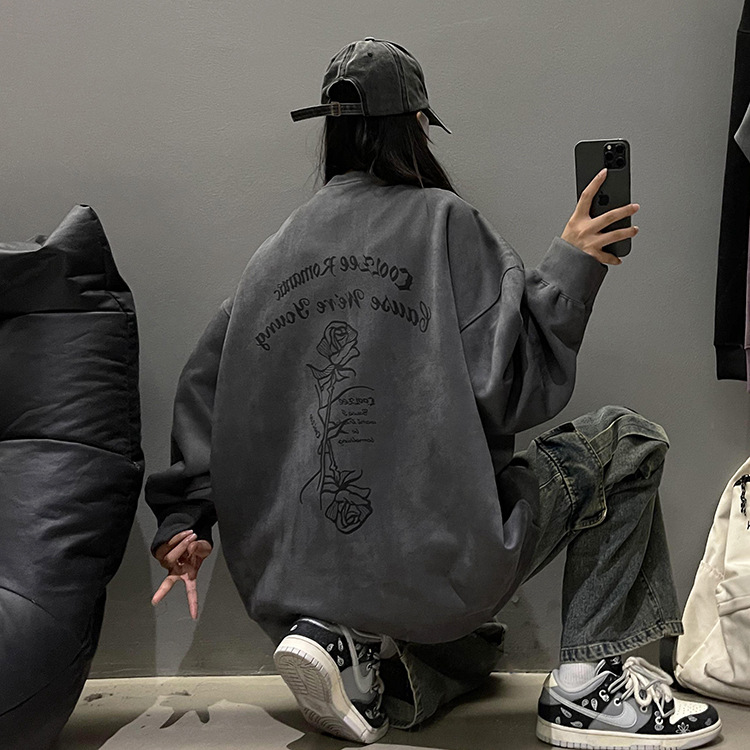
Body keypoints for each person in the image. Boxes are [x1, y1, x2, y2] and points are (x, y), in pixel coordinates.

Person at [145, 37, 722, 749]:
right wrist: (574, 264)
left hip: (292, 587)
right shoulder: (445, 223)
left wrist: (184, 521)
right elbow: (514, 390)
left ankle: (350, 654)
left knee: (474, 653)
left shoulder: (272, 257)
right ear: (416, 125)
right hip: (435, 565)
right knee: (626, 441)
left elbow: (206, 393)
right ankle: (590, 687)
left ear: (331, 131)